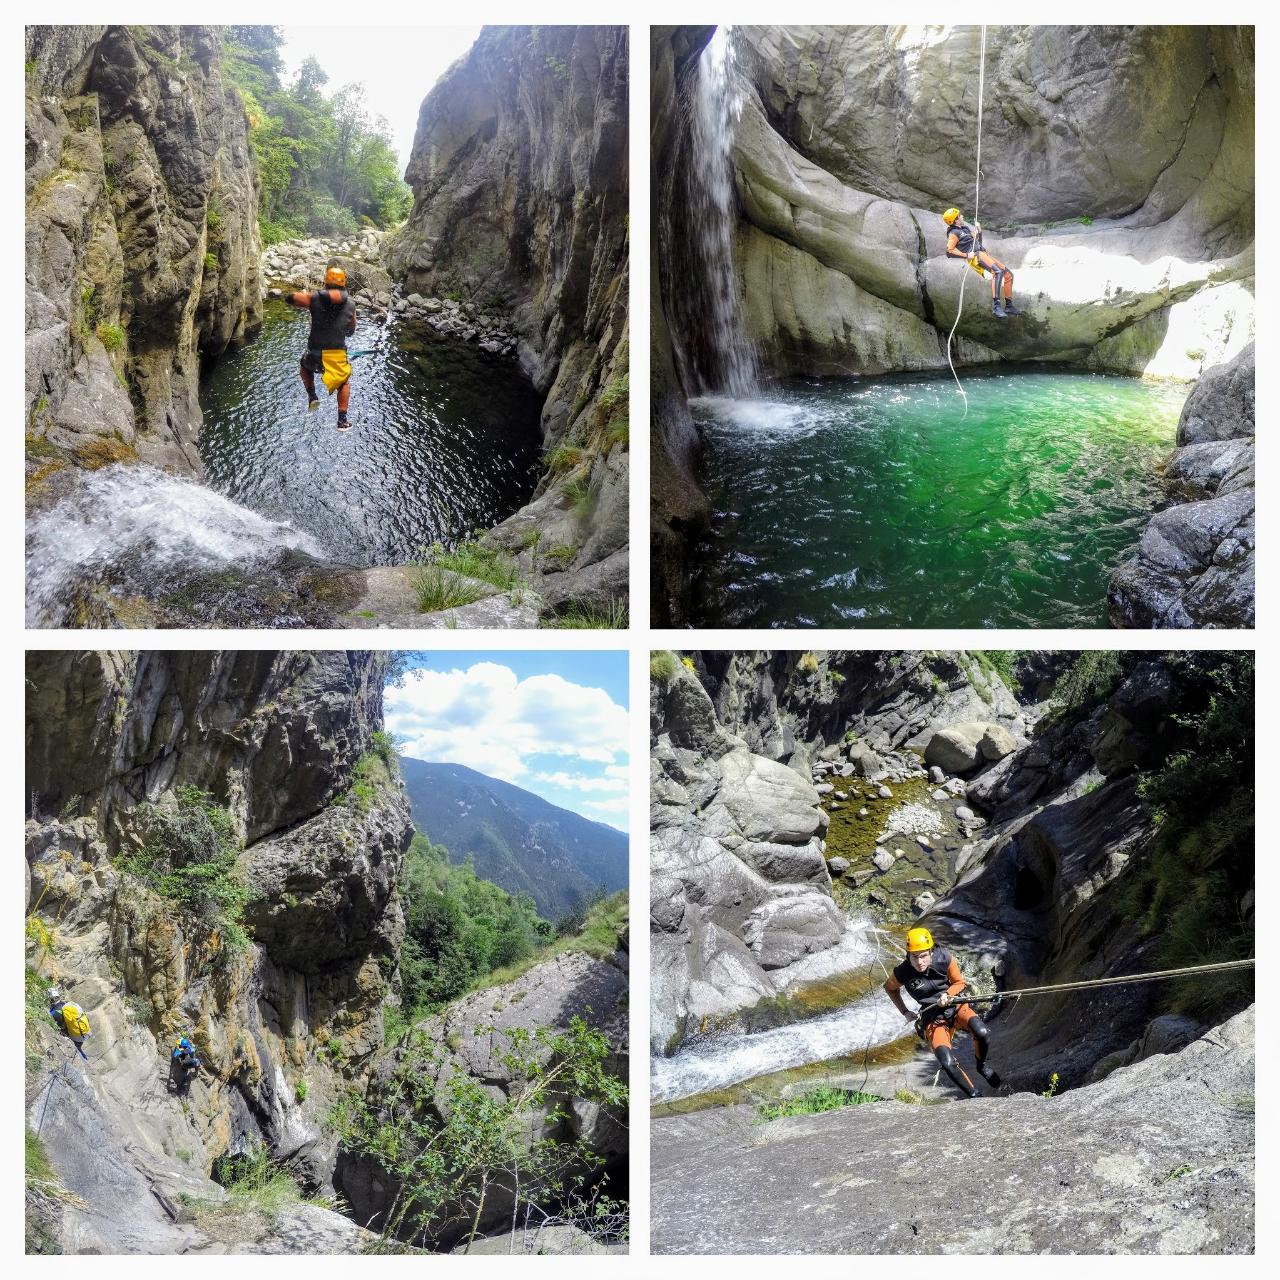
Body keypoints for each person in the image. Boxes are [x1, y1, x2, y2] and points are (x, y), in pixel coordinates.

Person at [883, 926, 1001, 1097]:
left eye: (923, 956)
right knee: (946, 1061)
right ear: (908, 955)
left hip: (956, 1006)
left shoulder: (944, 958)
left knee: (982, 1032)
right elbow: (890, 988)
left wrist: (948, 994)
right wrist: (905, 1011)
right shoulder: (903, 972)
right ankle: (975, 1095)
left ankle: (981, 1065)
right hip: (933, 1017)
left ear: (931, 951)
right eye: (914, 957)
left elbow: (960, 983)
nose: (919, 962)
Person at [281, 265, 357, 430]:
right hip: (336, 355)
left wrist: (309, 296)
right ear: (344, 284)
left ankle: (312, 396)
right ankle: (342, 420)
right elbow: (351, 330)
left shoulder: (314, 298)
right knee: (343, 383)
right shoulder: (351, 304)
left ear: (326, 283)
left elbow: (290, 297)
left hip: (315, 354)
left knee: (305, 368)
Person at [941, 207, 1024, 319]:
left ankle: (1009, 306)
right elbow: (949, 251)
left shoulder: (964, 229)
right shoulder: (953, 232)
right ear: (955, 220)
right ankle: (997, 307)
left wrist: (979, 231)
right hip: (976, 256)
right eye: (960, 215)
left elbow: (978, 243)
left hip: (982, 253)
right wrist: (966, 255)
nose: (962, 216)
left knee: (1008, 274)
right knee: (997, 272)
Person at [47, 986, 90, 1060]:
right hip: (85, 1031)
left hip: (76, 1036)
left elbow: (57, 1025)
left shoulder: (55, 1012)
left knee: (78, 1051)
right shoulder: (67, 1003)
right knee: (79, 1048)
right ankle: (85, 1059)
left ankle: (85, 1061)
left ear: (50, 1000)